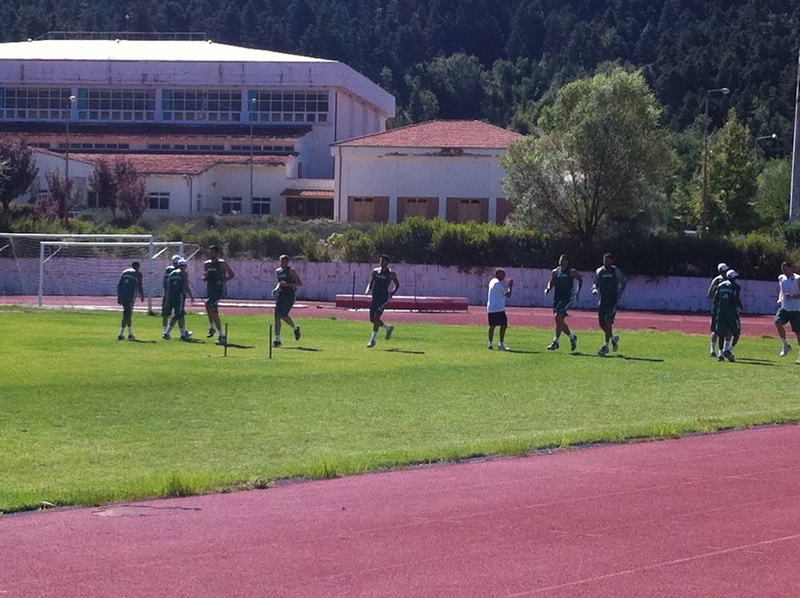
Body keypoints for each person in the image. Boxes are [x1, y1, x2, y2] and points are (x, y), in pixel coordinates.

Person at [544, 254, 582, 351]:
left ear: (567, 261)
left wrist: (578, 291)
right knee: (559, 320)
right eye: (560, 259)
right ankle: (572, 337)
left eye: (563, 259)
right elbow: (551, 282)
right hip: (557, 297)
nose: (561, 261)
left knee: (558, 317)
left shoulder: (571, 271)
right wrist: (548, 288)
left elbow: (580, 279)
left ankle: (555, 342)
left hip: (567, 298)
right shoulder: (555, 271)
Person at [592, 253, 626, 356]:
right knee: (602, 324)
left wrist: (620, 292)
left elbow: (623, 282)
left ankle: (606, 345)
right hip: (603, 300)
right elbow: (595, 283)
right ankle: (613, 338)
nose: (605, 262)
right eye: (604, 260)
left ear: (611, 261)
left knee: (608, 320)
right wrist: (594, 289)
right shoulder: (599, 271)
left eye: (607, 260)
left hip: (612, 300)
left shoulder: (615, 271)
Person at [203, 245, 235, 345]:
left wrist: (223, 281)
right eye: (210, 252)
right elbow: (208, 275)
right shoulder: (207, 264)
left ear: (217, 253)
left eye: (212, 252)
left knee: (208, 304)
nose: (210, 254)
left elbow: (232, 274)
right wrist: (205, 277)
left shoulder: (222, 263)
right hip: (211, 290)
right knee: (214, 311)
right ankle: (221, 335)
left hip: (219, 291)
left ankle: (212, 327)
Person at [365, 254, 400, 348]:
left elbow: (397, 285)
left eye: (383, 261)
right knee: (372, 319)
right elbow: (371, 281)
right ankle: (388, 328)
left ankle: (372, 340)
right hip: (375, 297)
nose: (381, 262)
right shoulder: (375, 271)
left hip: (383, 298)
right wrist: (368, 289)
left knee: (376, 317)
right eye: (380, 260)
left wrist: (392, 293)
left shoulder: (391, 274)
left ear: (387, 263)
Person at [272, 254, 303, 347]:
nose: (282, 263)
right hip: (281, 295)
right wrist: (276, 288)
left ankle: (295, 327)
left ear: (287, 262)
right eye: (281, 261)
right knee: (277, 316)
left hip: (289, 295)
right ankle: (277, 340)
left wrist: (288, 285)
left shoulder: (291, 271)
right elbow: (279, 282)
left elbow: (299, 283)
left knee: (283, 315)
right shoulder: (278, 271)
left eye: (284, 261)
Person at [713, 269, 743, 362]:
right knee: (736, 333)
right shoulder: (735, 286)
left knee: (721, 334)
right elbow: (735, 297)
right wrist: (740, 306)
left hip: (721, 312)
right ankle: (728, 350)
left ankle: (720, 354)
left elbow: (715, 299)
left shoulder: (720, 285)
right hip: (732, 313)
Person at [163, 259, 194, 341]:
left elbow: (168, 287)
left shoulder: (172, 273)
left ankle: (183, 334)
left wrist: (167, 298)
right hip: (179, 296)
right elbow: (186, 285)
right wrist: (191, 296)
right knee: (177, 314)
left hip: (171, 296)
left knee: (181, 315)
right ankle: (167, 333)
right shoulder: (183, 273)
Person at [775, 261, 800, 361]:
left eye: (786, 269)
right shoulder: (781, 278)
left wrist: (793, 296)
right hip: (785, 307)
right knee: (777, 321)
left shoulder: (798, 279)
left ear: (791, 268)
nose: (784, 271)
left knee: (798, 333)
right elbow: (782, 290)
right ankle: (786, 345)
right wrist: (780, 299)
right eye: (783, 269)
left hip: (796, 309)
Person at [706, 262, 730, 358]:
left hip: (722, 308)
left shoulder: (723, 280)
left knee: (723, 329)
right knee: (716, 329)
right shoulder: (718, 280)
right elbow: (710, 294)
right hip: (719, 308)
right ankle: (714, 350)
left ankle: (721, 350)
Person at [116, 261, 144, 340]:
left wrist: (119, 296)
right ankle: (121, 334)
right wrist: (142, 295)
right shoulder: (137, 274)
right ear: (138, 267)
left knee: (128, 314)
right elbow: (140, 285)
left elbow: (119, 285)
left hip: (123, 295)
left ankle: (130, 333)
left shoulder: (124, 272)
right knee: (127, 315)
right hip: (130, 296)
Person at [487, 268, 513, 351]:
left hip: (491, 307)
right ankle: (501, 343)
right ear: (497, 274)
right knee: (503, 325)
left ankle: (490, 343)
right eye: (502, 274)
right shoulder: (499, 284)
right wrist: (510, 286)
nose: (504, 276)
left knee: (492, 326)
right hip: (499, 308)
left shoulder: (492, 281)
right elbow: (508, 295)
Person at [162, 254, 182, 336]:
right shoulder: (171, 271)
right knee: (167, 313)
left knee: (179, 313)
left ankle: (182, 332)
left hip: (172, 294)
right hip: (170, 294)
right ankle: (166, 331)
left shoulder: (179, 271)